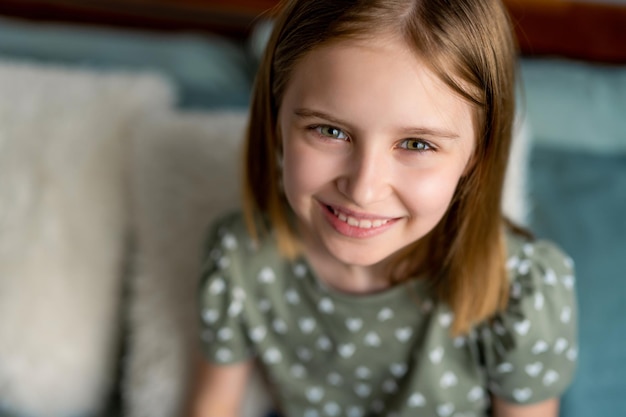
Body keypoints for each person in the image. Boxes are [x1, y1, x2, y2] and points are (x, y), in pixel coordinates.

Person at [191, 0, 578, 416]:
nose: (363, 189)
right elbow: (213, 405)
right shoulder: (240, 259)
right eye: (330, 130)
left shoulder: (519, 295)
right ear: (276, 124)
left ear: (475, 158)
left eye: (417, 144)